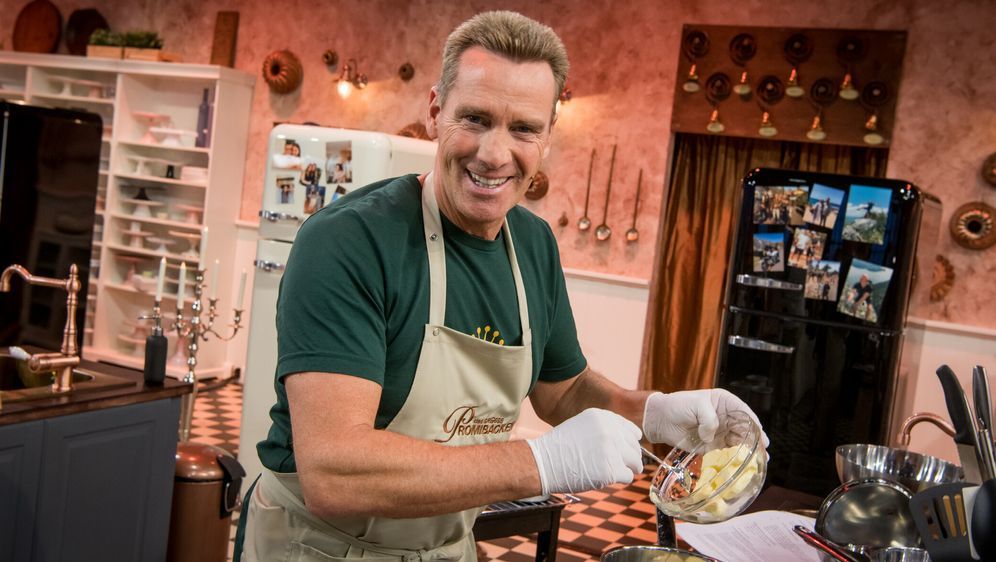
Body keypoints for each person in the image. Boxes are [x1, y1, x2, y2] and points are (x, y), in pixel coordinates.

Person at [234, 11, 765, 560]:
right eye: (475, 118)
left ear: (548, 136)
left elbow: (563, 390)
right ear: (436, 111)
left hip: (446, 548)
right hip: (318, 546)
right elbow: (335, 474)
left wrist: (654, 412)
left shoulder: (533, 244)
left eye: (524, 128)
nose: (493, 154)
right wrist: (541, 462)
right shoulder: (351, 241)